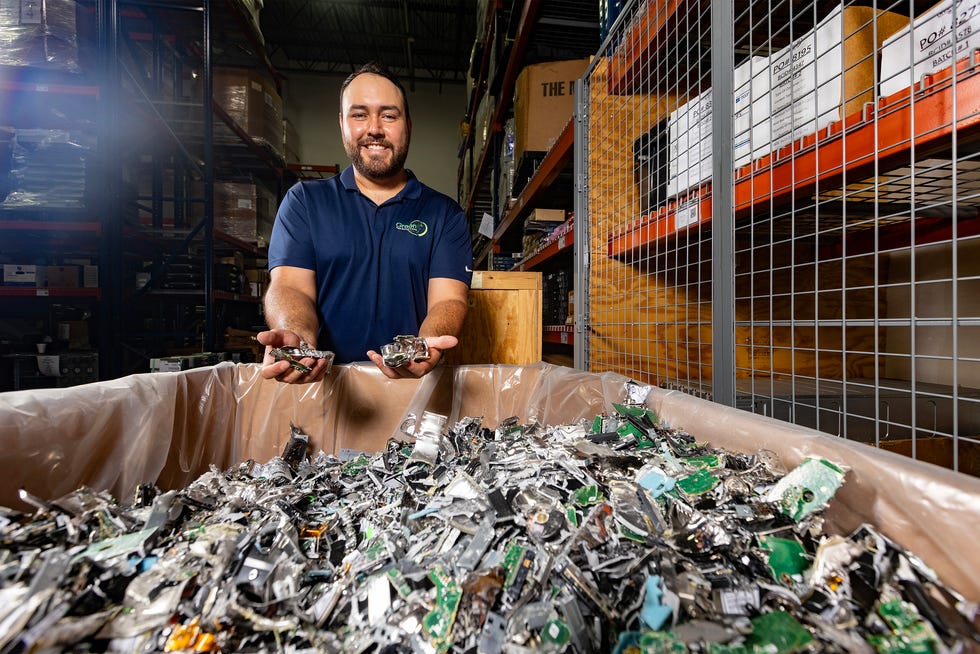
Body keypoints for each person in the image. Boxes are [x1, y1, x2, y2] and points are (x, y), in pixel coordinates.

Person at [256, 63, 472, 382]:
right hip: (325, 389)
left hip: (411, 391)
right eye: (359, 115)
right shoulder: (304, 202)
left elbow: (449, 300)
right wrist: (297, 335)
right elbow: (288, 286)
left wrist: (424, 346)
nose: (374, 129)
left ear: (407, 125)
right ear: (342, 123)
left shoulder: (444, 214)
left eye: (388, 115)